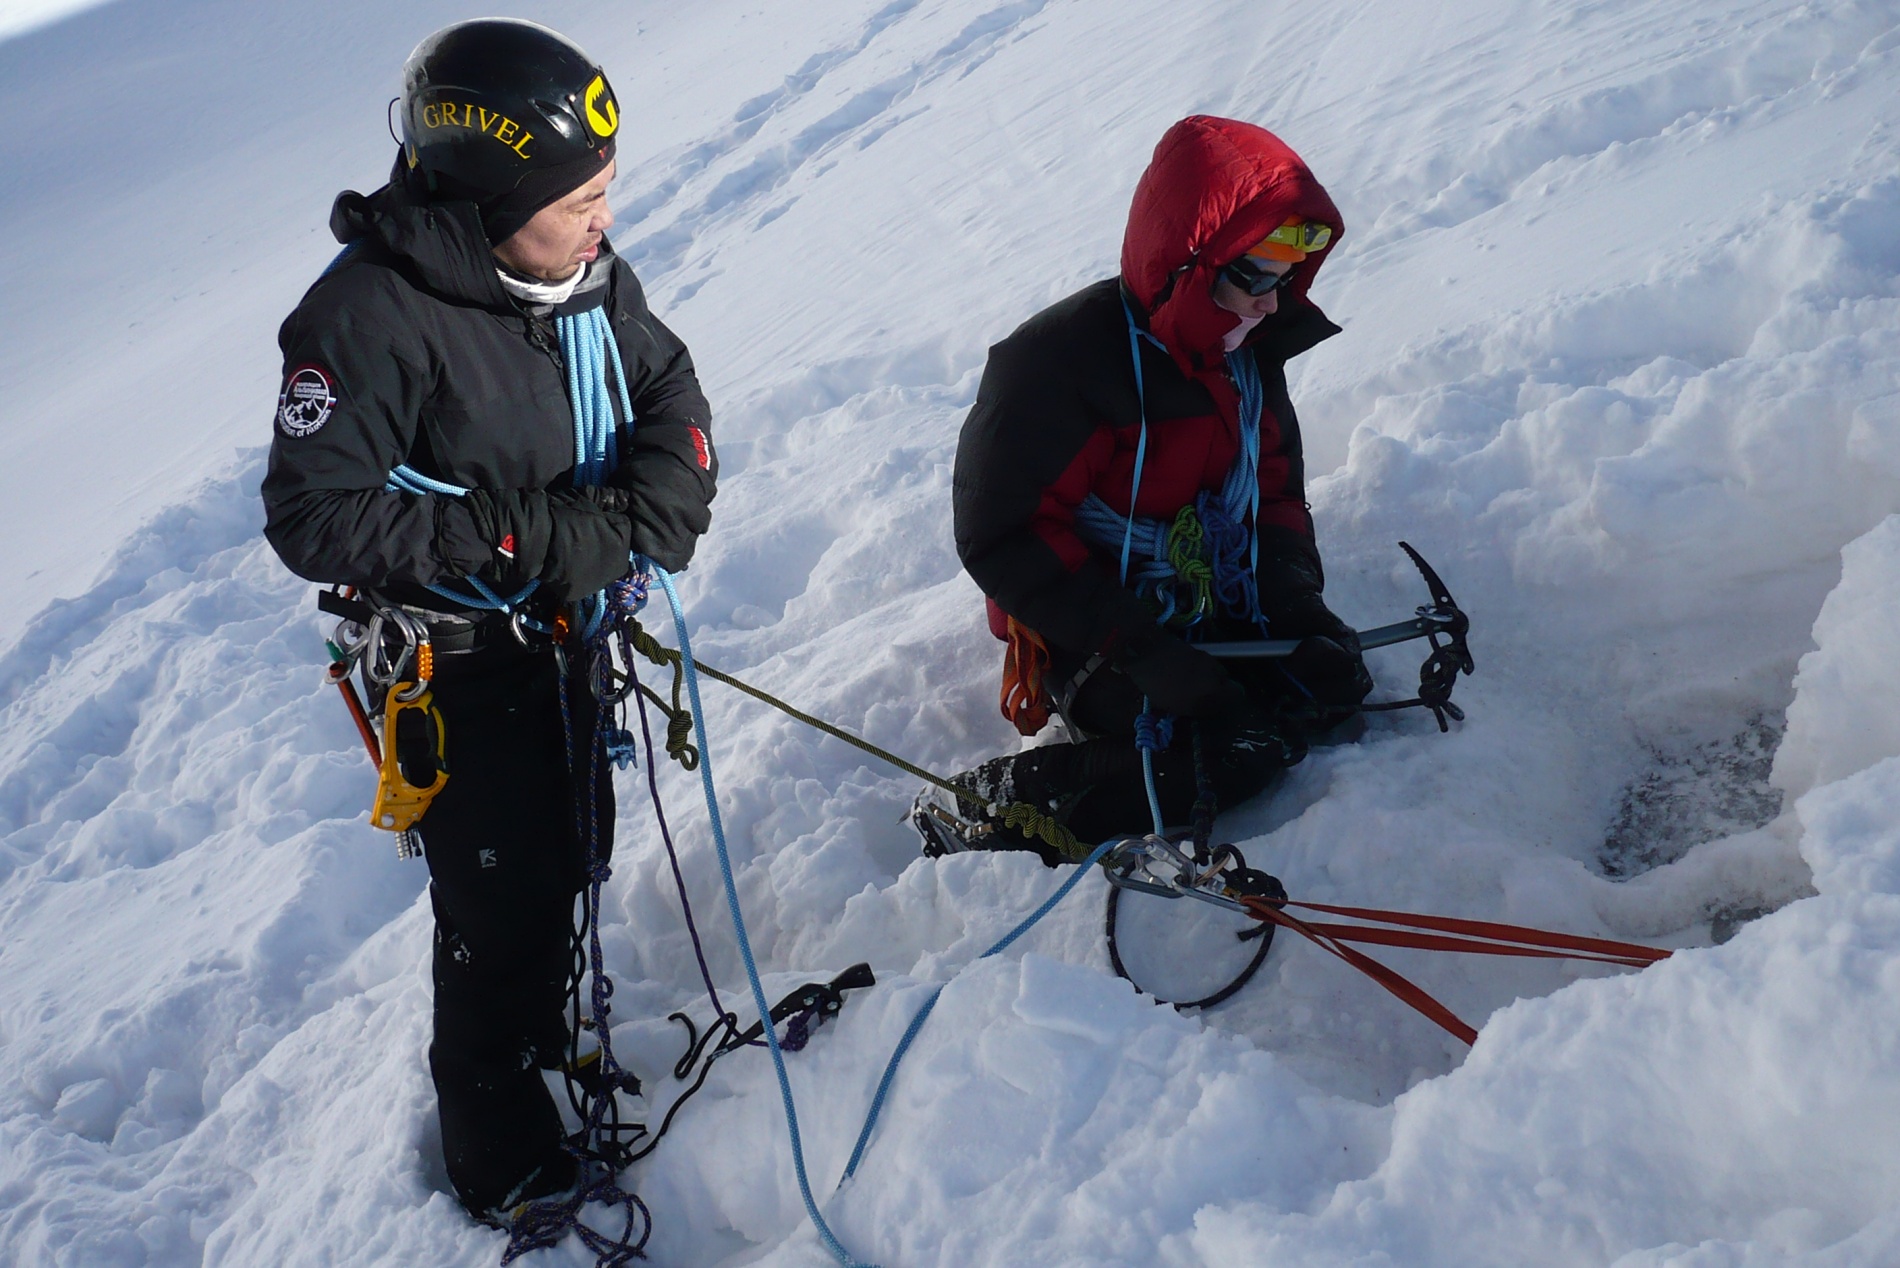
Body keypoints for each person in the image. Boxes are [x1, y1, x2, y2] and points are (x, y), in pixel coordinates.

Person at [260, 19, 716, 1224]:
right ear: (490, 194)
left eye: (608, 193)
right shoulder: (368, 316)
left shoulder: (572, 273)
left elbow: (665, 388)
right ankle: (495, 1136)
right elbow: (314, 514)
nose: (603, 219)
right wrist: (529, 535)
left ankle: (546, 1037)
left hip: (561, 638)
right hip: (454, 664)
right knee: (501, 905)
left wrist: (661, 494)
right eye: (579, 198)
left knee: (577, 847)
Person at [915, 115, 1369, 861]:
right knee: (1231, 751)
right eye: (1251, 277)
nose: (1268, 304)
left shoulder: (1247, 354)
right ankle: (985, 807)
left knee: (1324, 690)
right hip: (1085, 624)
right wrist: (1143, 650)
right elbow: (1006, 534)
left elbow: (1276, 491)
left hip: (1205, 597)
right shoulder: (1056, 368)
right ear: (1186, 263)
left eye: (1285, 281)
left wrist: (1297, 601)